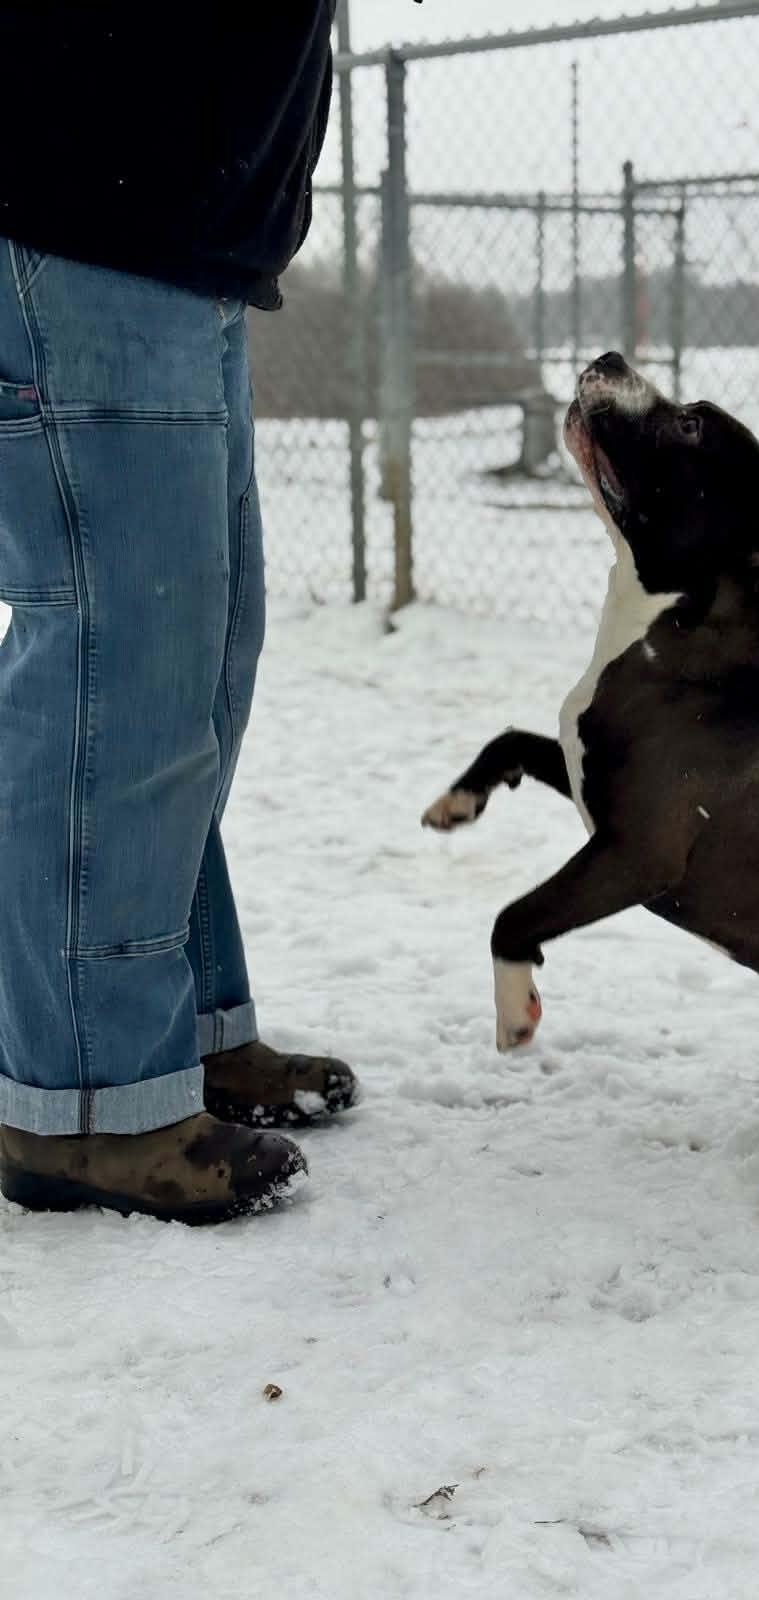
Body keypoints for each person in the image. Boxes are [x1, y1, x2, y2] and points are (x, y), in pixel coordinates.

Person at [0, 3, 360, 1224]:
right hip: (76, 205)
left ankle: (178, 1034)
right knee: (118, 657)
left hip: (179, 237)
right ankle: (88, 1102)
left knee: (192, 663)